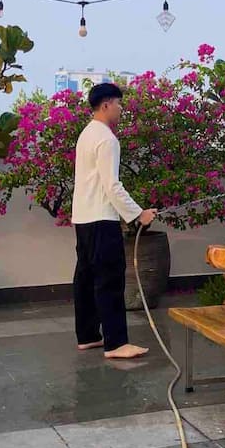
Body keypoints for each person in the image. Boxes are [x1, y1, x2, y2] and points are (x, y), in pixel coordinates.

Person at [71, 81, 156, 359]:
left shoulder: (87, 134)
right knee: (109, 279)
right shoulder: (107, 139)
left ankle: (88, 336)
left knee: (86, 278)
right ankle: (116, 344)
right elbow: (112, 186)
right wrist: (139, 214)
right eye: (119, 104)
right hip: (101, 220)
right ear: (106, 105)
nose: (121, 109)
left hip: (83, 219)